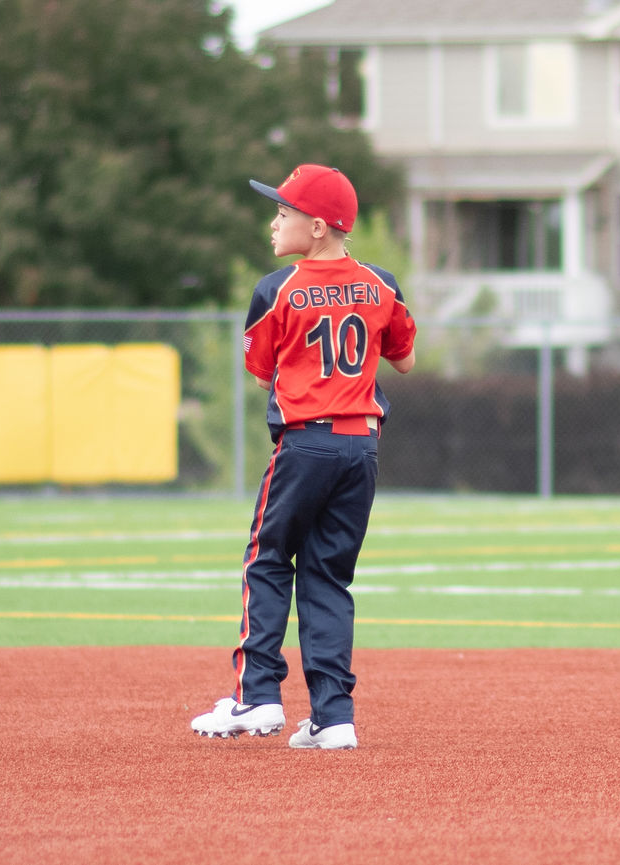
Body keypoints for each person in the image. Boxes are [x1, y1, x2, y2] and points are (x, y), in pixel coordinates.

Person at [192, 164, 417, 748]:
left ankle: (257, 695)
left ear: (317, 226)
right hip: (361, 446)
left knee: (268, 560)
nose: (274, 223)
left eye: (283, 213)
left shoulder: (277, 288)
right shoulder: (382, 282)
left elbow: (260, 371)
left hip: (305, 442)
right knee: (328, 575)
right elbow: (404, 359)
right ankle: (333, 715)